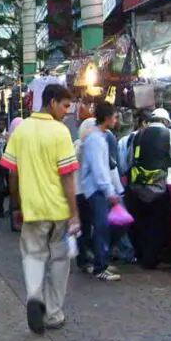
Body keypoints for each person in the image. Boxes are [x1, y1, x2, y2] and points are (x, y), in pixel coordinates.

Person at [1, 84, 80, 334]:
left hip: (32, 209)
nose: (67, 112)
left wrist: (17, 204)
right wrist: (74, 212)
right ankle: (54, 313)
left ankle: (34, 295)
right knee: (59, 260)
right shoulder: (60, 132)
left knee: (33, 256)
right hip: (58, 209)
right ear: (53, 102)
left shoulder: (21, 130)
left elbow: (11, 173)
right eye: (66, 106)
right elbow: (68, 177)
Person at [126, 107, 171, 269]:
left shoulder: (137, 135)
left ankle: (144, 257)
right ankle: (156, 258)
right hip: (158, 185)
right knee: (158, 222)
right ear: (165, 122)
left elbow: (130, 160)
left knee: (143, 222)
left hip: (137, 185)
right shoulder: (169, 135)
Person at [77, 103, 121, 282]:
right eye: (115, 116)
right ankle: (100, 266)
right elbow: (99, 168)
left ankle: (96, 261)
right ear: (108, 118)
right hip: (95, 190)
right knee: (101, 227)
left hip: (94, 189)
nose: (116, 120)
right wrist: (109, 190)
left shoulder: (98, 137)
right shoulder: (96, 139)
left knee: (96, 227)